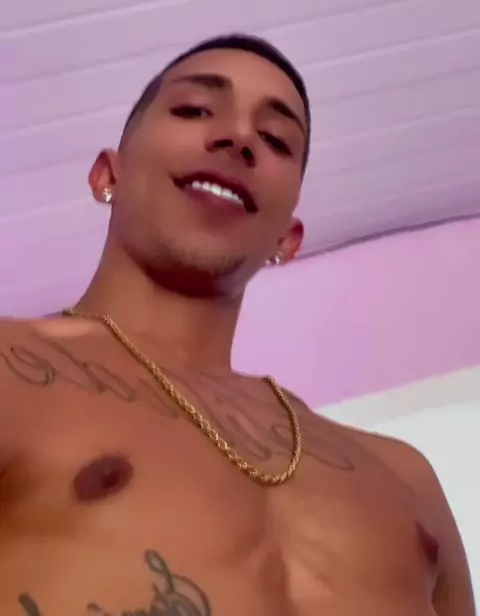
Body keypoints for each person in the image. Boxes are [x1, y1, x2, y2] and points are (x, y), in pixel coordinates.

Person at [0, 34, 474, 616]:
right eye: (195, 109)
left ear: (288, 239)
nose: (239, 138)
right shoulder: (11, 370)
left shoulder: (406, 479)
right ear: (107, 177)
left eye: (276, 140)